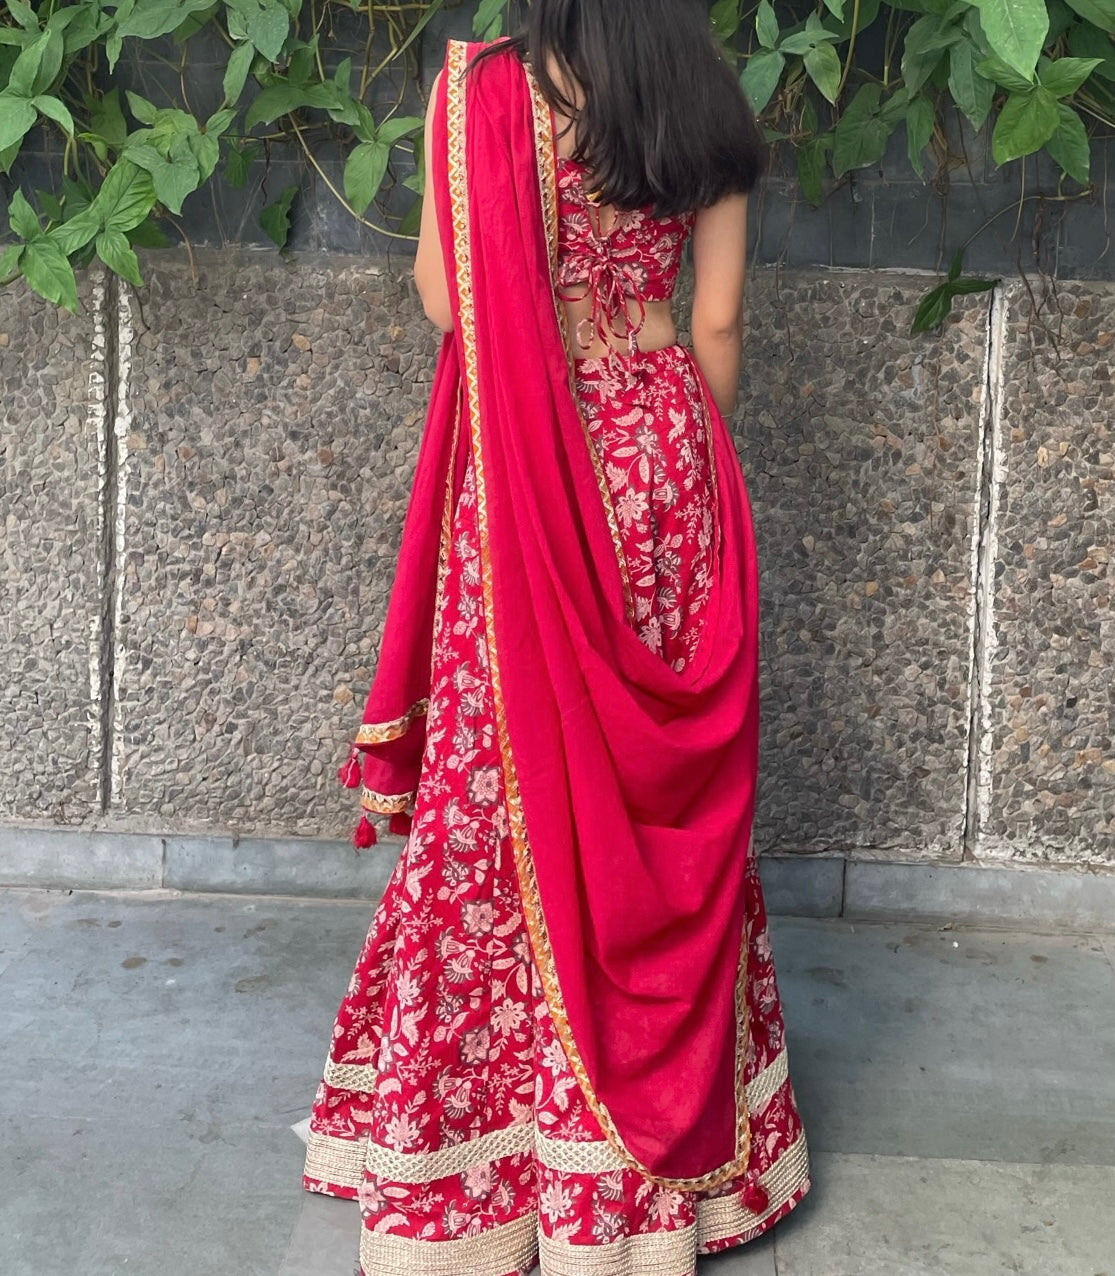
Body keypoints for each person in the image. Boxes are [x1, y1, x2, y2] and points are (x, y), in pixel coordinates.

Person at [302, 4, 809, 1273]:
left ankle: (480, 1160)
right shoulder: (706, 93)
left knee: (510, 779)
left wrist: (548, 359)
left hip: (527, 465)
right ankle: (660, 1162)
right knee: (644, 803)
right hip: (660, 455)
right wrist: (677, 441)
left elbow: (443, 297)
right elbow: (719, 328)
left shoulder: (478, 92)